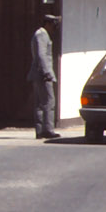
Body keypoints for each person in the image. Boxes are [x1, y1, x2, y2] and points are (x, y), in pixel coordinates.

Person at [28, 12, 59, 140]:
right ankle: (47, 129)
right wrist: (47, 72)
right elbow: (41, 55)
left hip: (38, 73)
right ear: (47, 23)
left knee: (40, 103)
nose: (54, 28)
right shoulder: (41, 35)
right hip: (42, 74)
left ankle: (41, 130)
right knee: (48, 102)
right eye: (52, 25)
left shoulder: (40, 34)